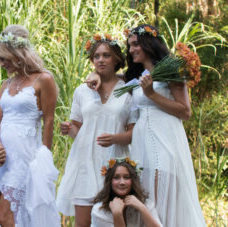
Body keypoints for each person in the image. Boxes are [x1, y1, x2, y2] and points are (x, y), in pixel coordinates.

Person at [86, 25, 206, 226]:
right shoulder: (137, 76)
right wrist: (95, 75)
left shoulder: (172, 71)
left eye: (135, 44)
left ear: (149, 44)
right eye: (130, 45)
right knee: (146, 194)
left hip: (165, 138)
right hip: (142, 143)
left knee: (163, 191)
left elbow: (185, 112)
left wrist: (152, 95)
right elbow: (111, 78)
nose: (131, 49)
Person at [56, 34, 136, 227]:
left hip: (114, 166)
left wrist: (115, 138)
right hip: (84, 162)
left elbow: (134, 134)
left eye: (106, 55)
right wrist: (69, 128)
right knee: (82, 223)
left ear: (116, 58)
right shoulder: (81, 91)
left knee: (115, 221)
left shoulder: (128, 89)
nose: (100, 60)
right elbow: (78, 129)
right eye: (96, 56)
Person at [0, 25, 60, 227]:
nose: (1, 65)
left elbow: (49, 120)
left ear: (17, 54)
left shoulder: (44, 79)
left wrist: (45, 156)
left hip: (24, 155)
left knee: (5, 216)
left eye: (3, 59)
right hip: (2, 157)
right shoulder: (6, 85)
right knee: (5, 217)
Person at [91, 157, 162, 227]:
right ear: (109, 181)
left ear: (133, 181)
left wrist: (142, 209)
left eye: (126, 177)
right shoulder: (99, 211)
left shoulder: (145, 203)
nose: (122, 182)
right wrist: (117, 214)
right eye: (116, 177)